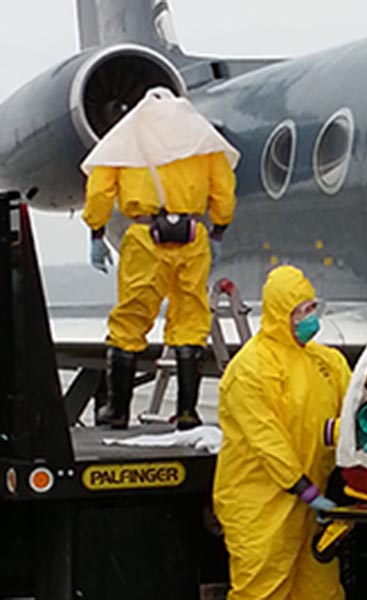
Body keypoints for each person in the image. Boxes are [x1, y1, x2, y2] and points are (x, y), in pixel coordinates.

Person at [81, 87, 239, 430]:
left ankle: (118, 411)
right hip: (192, 236)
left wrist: (96, 230)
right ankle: (187, 412)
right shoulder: (200, 137)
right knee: (191, 317)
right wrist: (219, 230)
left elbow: (99, 191)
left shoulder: (126, 138)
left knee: (131, 317)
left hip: (143, 236)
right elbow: (223, 189)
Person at [213, 265, 351, 600]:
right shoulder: (250, 368)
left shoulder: (327, 362)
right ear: (279, 314)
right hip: (261, 504)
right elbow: (267, 440)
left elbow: (350, 415)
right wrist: (305, 489)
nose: (309, 318)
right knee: (261, 591)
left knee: (322, 592)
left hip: (312, 505)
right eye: (300, 311)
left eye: (311, 308)